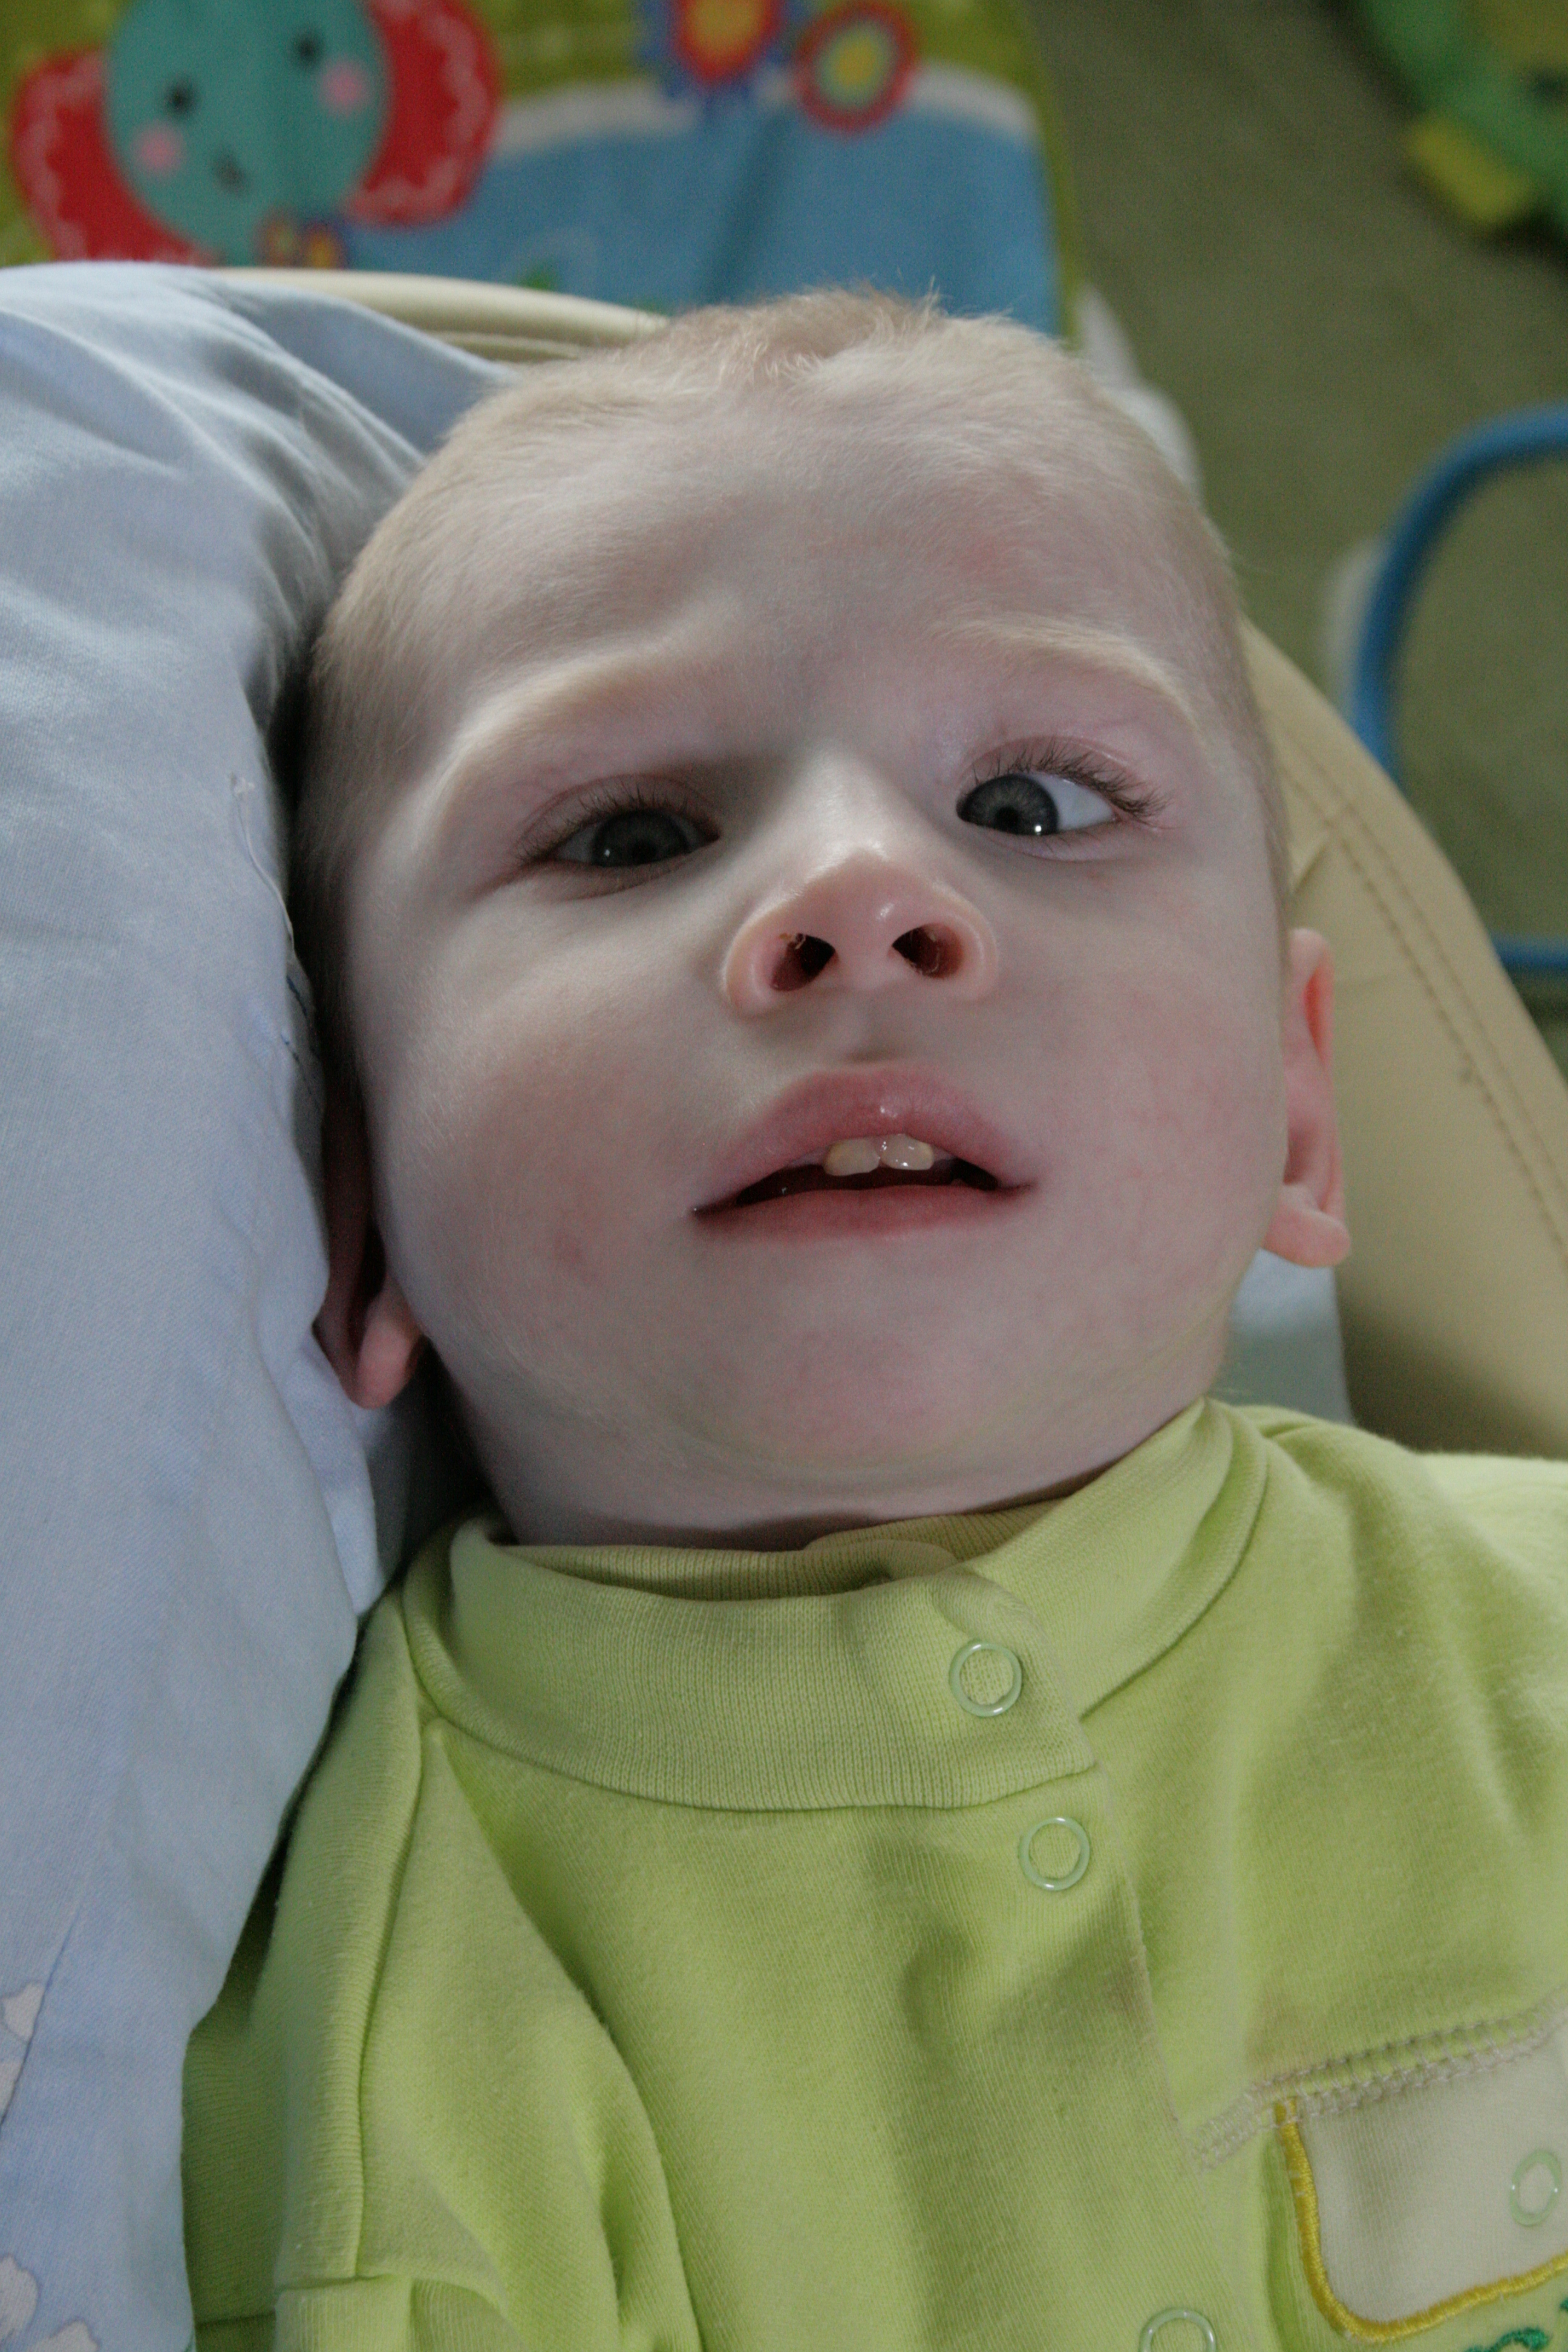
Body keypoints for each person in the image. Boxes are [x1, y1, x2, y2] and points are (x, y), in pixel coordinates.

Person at [182, 291, 1568, 2352]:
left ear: (1298, 1104)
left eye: (1034, 806)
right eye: (630, 834)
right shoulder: (412, 2031)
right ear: (358, 1202)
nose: (858, 894)